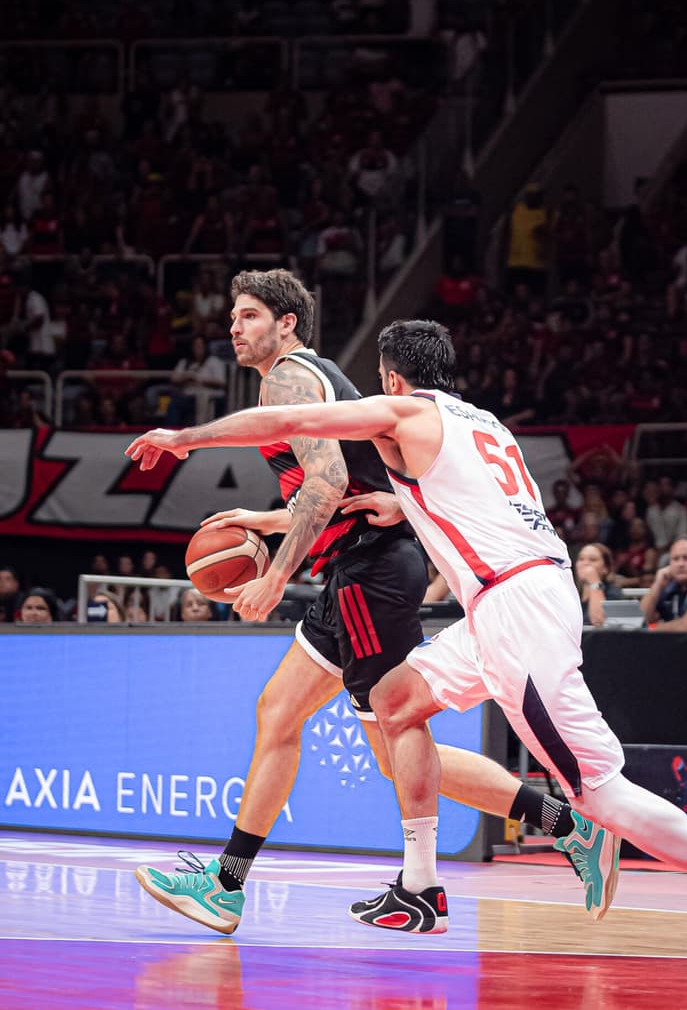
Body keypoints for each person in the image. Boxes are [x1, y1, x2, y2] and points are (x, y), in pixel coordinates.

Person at [127, 319, 687, 985]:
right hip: (504, 602)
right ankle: (420, 888)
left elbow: (286, 425)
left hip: (516, 611)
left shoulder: (404, 414)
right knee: (393, 702)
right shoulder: (481, 422)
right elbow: (446, 499)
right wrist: (386, 508)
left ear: (392, 376)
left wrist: (186, 436)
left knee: (601, 791)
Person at [128, 271, 617, 936]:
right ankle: (226, 884)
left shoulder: (290, 378)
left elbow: (328, 488)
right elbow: (353, 486)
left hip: (370, 575)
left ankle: (565, 828)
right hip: (363, 569)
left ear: (287, 324)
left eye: (247, 316)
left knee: (393, 746)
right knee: (280, 713)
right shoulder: (319, 377)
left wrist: (274, 577)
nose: (234, 328)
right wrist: (265, 520)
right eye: (233, 318)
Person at [574, 543, 623, 627]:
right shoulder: (573, 594)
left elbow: (598, 621)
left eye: (593, 560)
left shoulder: (613, 592)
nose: (585, 563)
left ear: (605, 568)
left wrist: (594, 582)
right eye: (581, 559)